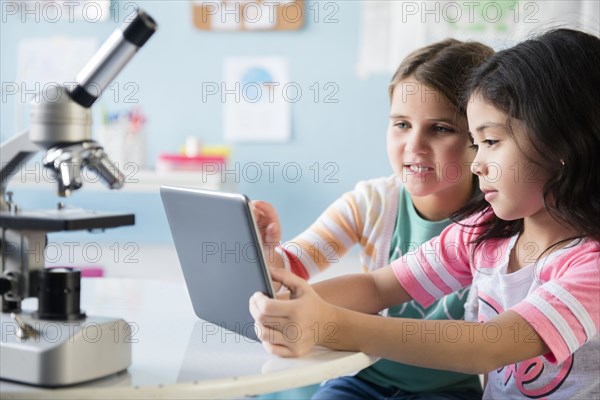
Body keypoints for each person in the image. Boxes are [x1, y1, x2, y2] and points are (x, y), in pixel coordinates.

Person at [250, 28, 600, 399]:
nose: (477, 163)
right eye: (476, 144)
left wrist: (328, 324)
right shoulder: (482, 233)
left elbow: (486, 346)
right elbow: (378, 287)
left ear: (561, 143)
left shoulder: (589, 268)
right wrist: (289, 307)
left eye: (492, 142)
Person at [253, 38, 494, 399]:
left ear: (480, 137)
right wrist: (268, 253)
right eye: (401, 124)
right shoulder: (372, 203)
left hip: (449, 389)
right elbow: (292, 269)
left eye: (440, 128)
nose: (414, 145)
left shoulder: (500, 219)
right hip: (362, 379)